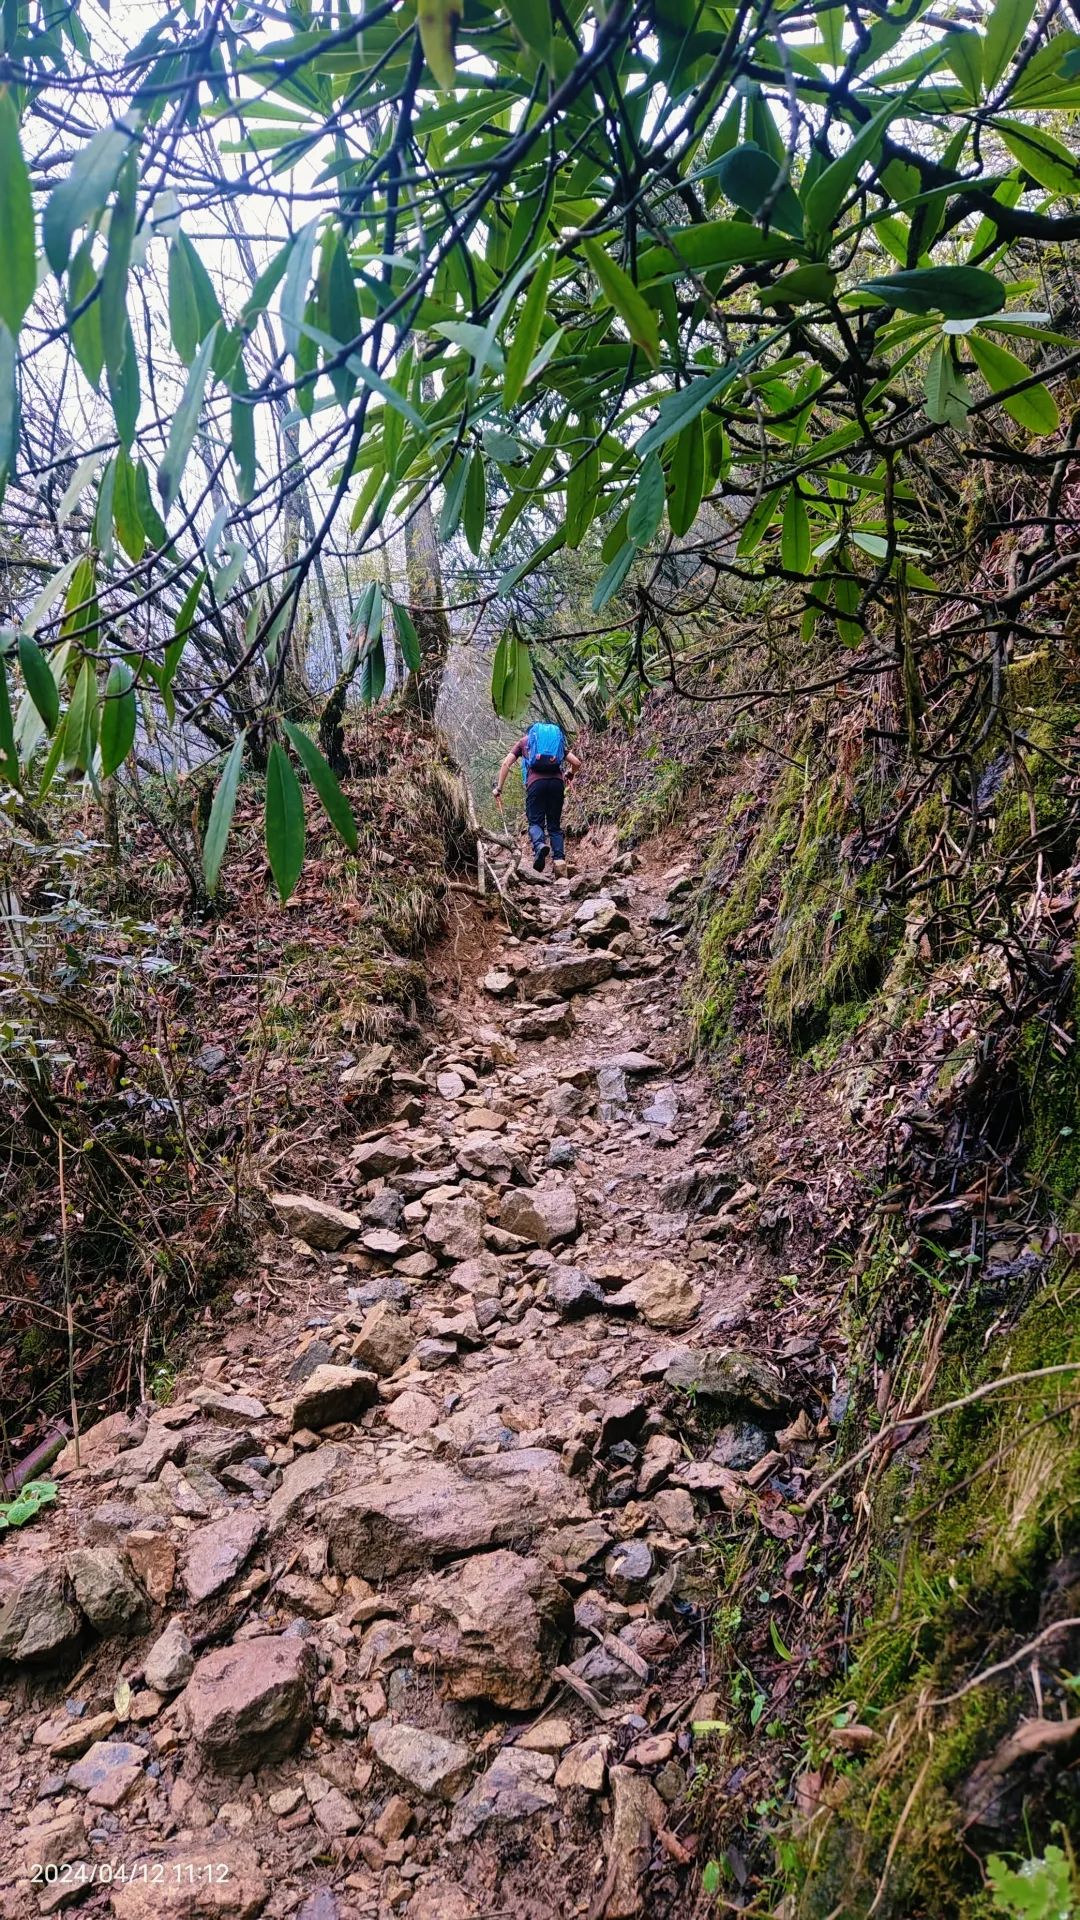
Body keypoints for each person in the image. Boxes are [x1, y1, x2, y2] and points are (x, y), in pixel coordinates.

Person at [493, 719, 582, 875]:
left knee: (536, 822)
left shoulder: (524, 742)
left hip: (535, 784)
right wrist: (570, 774)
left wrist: (499, 788)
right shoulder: (556, 743)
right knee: (554, 825)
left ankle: (539, 846)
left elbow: (506, 763)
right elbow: (576, 762)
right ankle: (559, 862)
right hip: (556, 783)